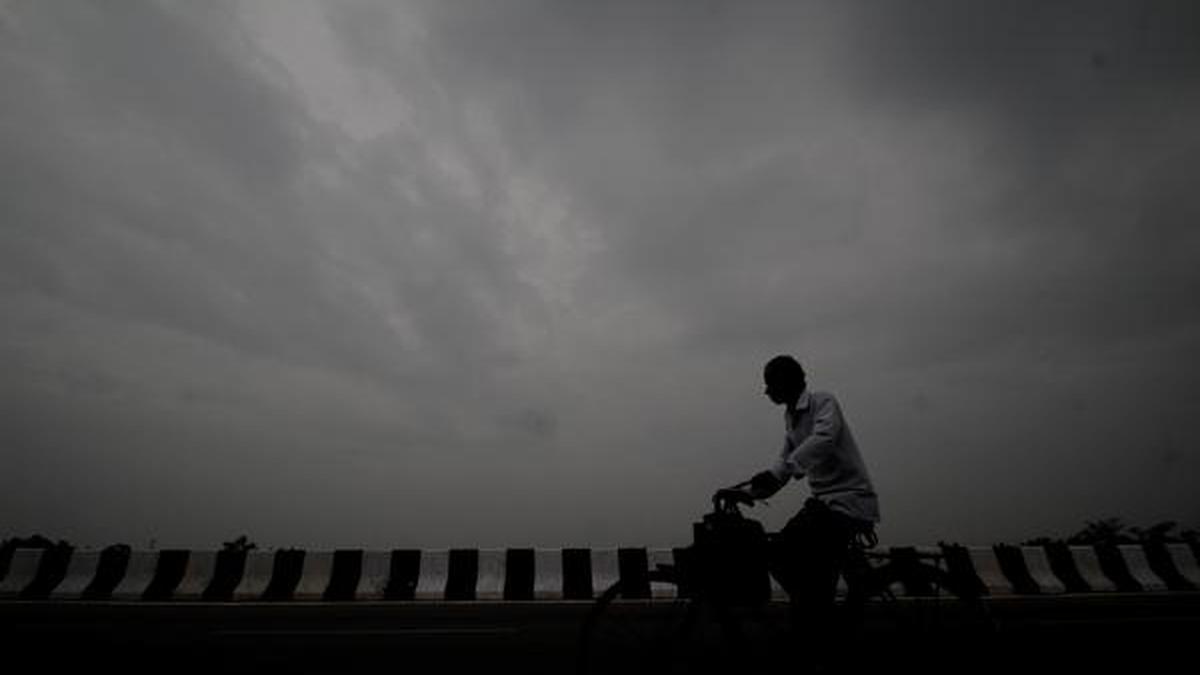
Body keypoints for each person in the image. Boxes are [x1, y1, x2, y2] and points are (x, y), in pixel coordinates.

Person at [715, 354, 880, 661]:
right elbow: (781, 467)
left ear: (787, 382)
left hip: (848, 501)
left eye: (770, 383)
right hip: (825, 505)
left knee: (783, 554)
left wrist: (782, 470)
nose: (767, 391)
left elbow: (823, 440)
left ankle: (817, 623)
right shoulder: (791, 418)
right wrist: (746, 492)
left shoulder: (823, 402)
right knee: (788, 561)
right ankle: (817, 619)